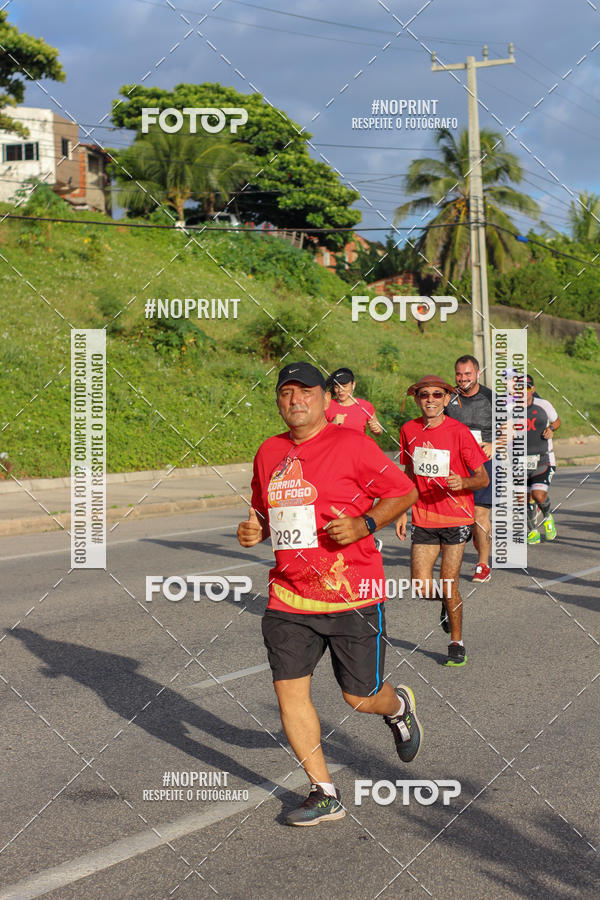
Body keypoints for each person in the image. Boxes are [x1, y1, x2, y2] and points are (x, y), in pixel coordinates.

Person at [238, 361, 419, 827]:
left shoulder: (353, 444)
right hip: (289, 597)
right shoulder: (268, 452)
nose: (295, 401)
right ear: (278, 399)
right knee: (289, 695)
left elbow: (404, 491)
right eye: (286, 393)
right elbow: (263, 509)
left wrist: (366, 523)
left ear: (323, 397)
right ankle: (323, 792)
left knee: (358, 698)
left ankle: (398, 707)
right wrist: (253, 530)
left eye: (305, 392)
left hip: (353, 594)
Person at [395, 375, 489, 667]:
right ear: (417, 399)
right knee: (422, 587)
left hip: (456, 516)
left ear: (447, 399)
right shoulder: (408, 429)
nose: (431, 400)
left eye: (437, 395)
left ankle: (456, 642)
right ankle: (448, 607)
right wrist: (400, 510)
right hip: (423, 517)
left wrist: (463, 482)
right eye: (425, 395)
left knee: (449, 583)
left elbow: (482, 478)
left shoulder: (459, 432)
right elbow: (408, 475)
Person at [445, 355, 494, 583]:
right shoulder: (448, 397)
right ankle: (474, 535)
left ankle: (482, 564)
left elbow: (513, 427)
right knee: (458, 515)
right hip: (456, 463)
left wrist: (496, 443)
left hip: (483, 462)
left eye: (468, 374)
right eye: (459, 374)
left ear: (477, 374)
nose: (463, 378)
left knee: (480, 513)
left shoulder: (491, 398)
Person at [525, 374, 557, 544]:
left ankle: (547, 516)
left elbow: (557, 420)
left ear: (533, 389)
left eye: (527, 388)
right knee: (524, 498)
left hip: (543, 459)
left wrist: (551, 428)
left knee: (538, 495)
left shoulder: (543, 405)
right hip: (520, 461)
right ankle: (532, 531)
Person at [325, 367, 383, 435]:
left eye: (344, 386)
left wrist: (377, 430)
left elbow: (379, 430)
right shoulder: (327, 405)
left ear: (353, 385)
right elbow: (319, 435)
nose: (340, 390)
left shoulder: (366, 406)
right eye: (336, 387)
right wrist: (333, 424)